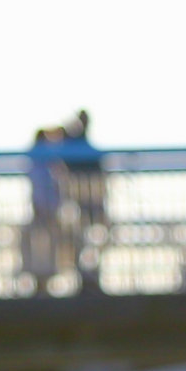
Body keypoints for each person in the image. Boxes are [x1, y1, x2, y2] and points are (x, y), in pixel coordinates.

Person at [62, 109, 109, 293]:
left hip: (90, 199)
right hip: (80, 200)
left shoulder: (79, 142)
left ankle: (90, 275)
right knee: (80, 240)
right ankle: (84, 276)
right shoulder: (75, 140)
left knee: (94, 239)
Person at [21, 124, 66, 296]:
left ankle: (42, 278)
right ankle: (43, 278)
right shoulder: (46, 157)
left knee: (44, 243)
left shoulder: (37, 157)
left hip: (43, 206)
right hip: (45, 206)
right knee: (47, 243)